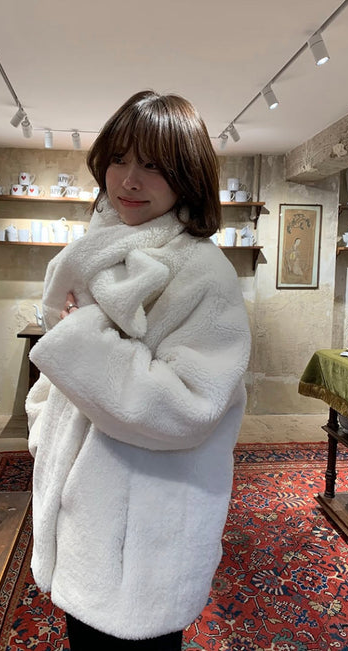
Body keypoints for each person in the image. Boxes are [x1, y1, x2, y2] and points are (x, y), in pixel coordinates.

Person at [25, 90, 251, 650]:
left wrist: (83, 340)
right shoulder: (100, 251)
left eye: (152, 165)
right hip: (85, 513)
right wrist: (43, 432)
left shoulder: (203, 273)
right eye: (119, 159)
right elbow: (60, 380)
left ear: (186, 177)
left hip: (146, 534)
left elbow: (190, 407)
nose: (128, 179)